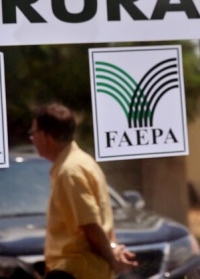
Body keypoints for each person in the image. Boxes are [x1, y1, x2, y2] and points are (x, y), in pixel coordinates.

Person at [30, 101, 137, 279]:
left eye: (32, 133)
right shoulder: (82, 161)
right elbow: (101, 221)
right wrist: (113, 250)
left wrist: (113, 260)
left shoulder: (69, 171)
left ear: (45, 135)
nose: (32, 139)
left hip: (75, 272)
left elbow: (90, 226)